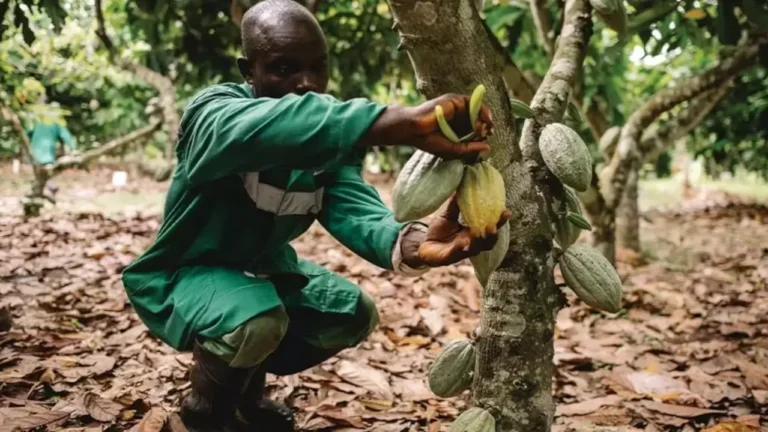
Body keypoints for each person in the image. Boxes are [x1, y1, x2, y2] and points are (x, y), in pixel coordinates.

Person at [120, 1, 510, 431]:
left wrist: (415, 243)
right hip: (187, 271)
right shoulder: (214, 112)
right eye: (283, 68)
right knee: (256, 320)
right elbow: (263, 128)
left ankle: (245, 393)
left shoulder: (327, 140)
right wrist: (393, 123)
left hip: (266, 271)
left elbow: (354, 206)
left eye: (316, 67)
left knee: (351, 314)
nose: (305, 83)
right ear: (249, 71)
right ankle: (204, 412)